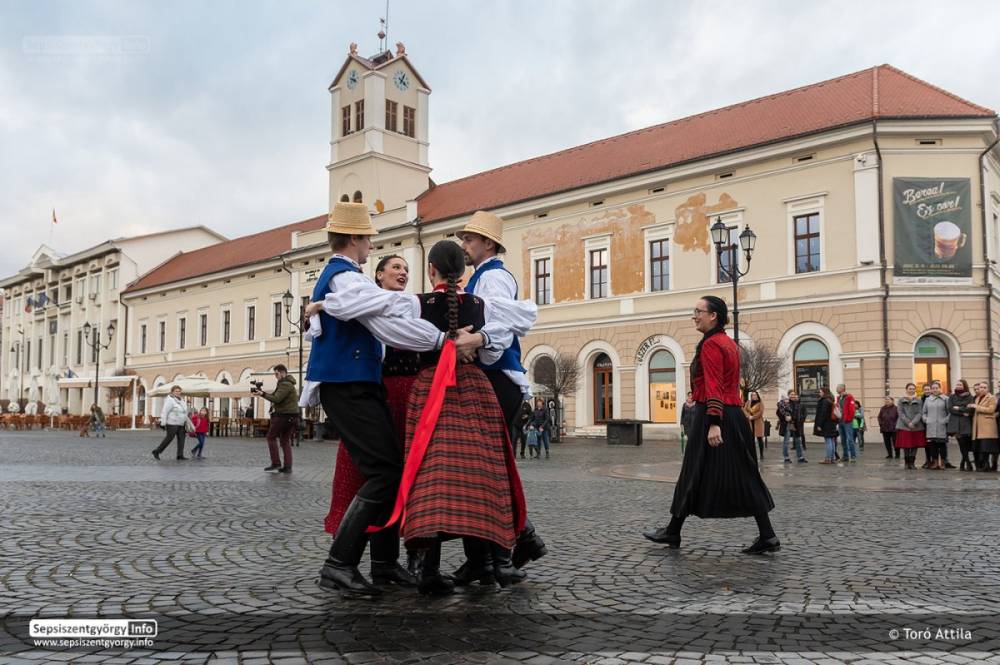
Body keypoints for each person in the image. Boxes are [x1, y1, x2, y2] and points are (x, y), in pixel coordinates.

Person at [304, 202, 484, 596]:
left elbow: (382, 321)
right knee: (384, 472)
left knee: (389, 471)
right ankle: (338, 564)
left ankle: (383, 564)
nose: (371, 245)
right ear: (354, 239)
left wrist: (438, 339)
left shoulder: (351, 280)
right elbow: (382, 320)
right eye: (368, 238)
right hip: (347, 384)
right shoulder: (344, 278)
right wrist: (437, 332)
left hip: (357, 383)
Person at [642, 296, 778, 554]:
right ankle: (767, 535)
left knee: (693, 471)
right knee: (744, 475)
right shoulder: (728, 343)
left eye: (698, 311)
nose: (694, 316)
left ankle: (673, 531)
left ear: (713, 315)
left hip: (716, 415)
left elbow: (715, 383)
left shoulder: (712, 345)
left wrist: (713, 421)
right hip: (733, 415)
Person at [456, 210, 548, 576]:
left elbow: (501, 328)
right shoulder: (482, 277)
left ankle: (495, 556)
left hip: (496, 378)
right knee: (489, 468)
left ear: (488, 244)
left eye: (470, 239)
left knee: (487, 470)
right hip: (494, 378)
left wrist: (476, 341)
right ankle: (511, 546)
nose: (465, 245)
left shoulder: (492, 278)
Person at [323, 254, 422, 578]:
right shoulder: (369, 304)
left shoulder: (405, 304)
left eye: (406, 269)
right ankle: (344, 561)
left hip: (404, 399)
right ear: (378, 275)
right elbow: (347, 307)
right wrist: (321, 306)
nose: (403, 272)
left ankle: (384, 560)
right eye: (396, 267)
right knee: (372, 474)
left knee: (394, 476)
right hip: (378, 394)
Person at [255, 364, 299, 473]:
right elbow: (277, 397)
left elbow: (277, 399)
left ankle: (276, 463)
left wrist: (262, 394)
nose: (276, 376)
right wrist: (263, 393)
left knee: (271, 437)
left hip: (283, 416)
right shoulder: (287, 384)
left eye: (277, 373)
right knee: (285, 440)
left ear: (283, 373)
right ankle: (287, 467)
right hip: (291, 416)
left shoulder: (285, 384)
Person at [152, 385, 190, 460]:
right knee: (169, 438)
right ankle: (157, 451)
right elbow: (165, 411)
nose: (178, 392)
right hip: (172, 423)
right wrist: (163, 423)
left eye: (179, 391)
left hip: (181, 423)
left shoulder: (181, 400)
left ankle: (180, 455)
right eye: (176, 391)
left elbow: (184, 411)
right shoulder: (170, 400)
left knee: (182, 439)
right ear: (172, 392)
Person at [895, 383, 926, 470]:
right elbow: (900, 412)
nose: (911, 390)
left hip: (916, 426)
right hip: (904, 426)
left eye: (913, 389)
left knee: (915, 445)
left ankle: (912, 463)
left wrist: (914, 422)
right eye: (910, 388)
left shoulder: (919, 400)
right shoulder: (901, 400)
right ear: (906, 389)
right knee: (906, 445)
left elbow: (920, 412)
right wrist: (908, 422)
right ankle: (906, 463)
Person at [947, 379, 974, 471]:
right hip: (955, 423)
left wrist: (958, 408)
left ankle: (963, 462)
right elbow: (950, 409)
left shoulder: (970, 397)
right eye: (957, 384)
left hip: (965, 424)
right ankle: (968, 463)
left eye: (960, 385)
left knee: (965, 444)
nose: (958, 386)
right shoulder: (952, 396)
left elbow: (970, 410)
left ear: (964, 386)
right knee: (961, 443)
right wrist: (962, 411)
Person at [922, 381, 949, 470]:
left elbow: (950, 413)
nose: (935, 390)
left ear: (940, 388)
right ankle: (935, 463)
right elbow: (924, 412)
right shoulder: (927, 399)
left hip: (942, 426)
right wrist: (926, 420)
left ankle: (943, 463)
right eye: (933, 388)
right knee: (933, 446)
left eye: (936, 388)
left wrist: (945, 420)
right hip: (931, 426)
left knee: (942, 445)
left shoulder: (945, 399)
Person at [971, 382, 998, 472]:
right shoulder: (977, 398)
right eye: (981, 387)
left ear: (988, 389)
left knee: (986, 447)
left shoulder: (992, 397)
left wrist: (977, 407)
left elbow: (991, 410)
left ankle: (987, 466)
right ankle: (984, 465)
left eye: (984, 387)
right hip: (978, 426)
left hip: (988, 426)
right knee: (981, 447)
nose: (982, 389)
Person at [777, 390, 806, 463]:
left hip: (796, 424)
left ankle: (800, 457)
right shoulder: (785, 403)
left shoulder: (797, 403)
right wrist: (785, 417)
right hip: (787, 424)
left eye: (794, 394)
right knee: (786, 441)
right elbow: (778, 413)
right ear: (788, 395)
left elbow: (801, 413)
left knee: (798, 441)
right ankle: (786, 457)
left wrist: (801, 420)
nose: (792, 396)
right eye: (791, 394)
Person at [814, 387, 839, 464]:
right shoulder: (830, 400)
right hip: (832, 423)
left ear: (824, 392)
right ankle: (832, 458)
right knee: (831, 441)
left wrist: (819, 424)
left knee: (828, 441)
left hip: (826, 424)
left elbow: (823, 414)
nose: (819, 393)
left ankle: (828, 458)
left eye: (820, 392)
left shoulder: (824, 401)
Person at [836, 384, 857, 463]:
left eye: (838, 388)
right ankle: (845, 456)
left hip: (847, 422)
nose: (836, 389)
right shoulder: (838, 398)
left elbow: (852, 410)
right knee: (843, 439)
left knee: (850, 439)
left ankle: (853, 456)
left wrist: (848, 419)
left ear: (842, 388)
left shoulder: (849, 397)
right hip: (840, 421)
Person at [742, 391, 765, 460]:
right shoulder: (748, 402)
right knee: (750, 439)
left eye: (755, 395)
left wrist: (753, 417)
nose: (753, 396)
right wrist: (748, 416)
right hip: (749, 422)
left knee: (759, 439)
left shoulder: (760, 403)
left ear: (757, 396)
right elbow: (744, 410)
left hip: (758, 423)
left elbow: (761, 412)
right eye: (752, 395)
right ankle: (752, 453)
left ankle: (761, 454)